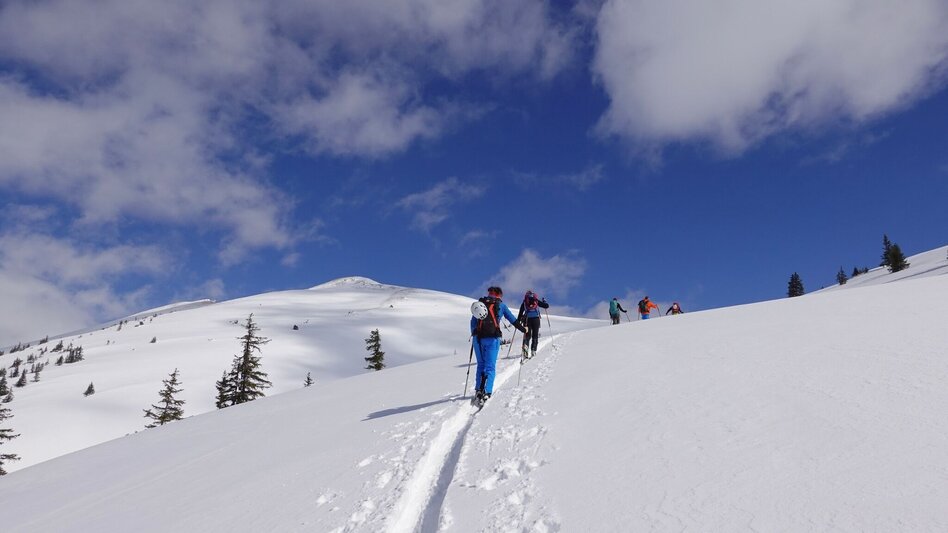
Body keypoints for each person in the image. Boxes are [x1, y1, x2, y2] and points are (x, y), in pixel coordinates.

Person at [470, 286, 524, 406]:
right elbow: (513, 320)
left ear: (489, 293)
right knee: (490, 367)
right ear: (499, 294)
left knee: (481, 365)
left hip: (478, 339)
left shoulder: (481, 304)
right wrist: (524, 330)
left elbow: (473, 322)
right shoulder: (501, 305)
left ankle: (479, 389)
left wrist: (474, 332)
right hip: (493, 339)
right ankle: (487, 392)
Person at [517, 290, 549, 359]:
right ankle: (533, 350)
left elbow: (520, 313)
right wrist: (544, 302)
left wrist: (518, 322)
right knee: (535, 335)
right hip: (536, 320)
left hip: (527, 320)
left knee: (527, 336)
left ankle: (525, 350)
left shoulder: (525, 302)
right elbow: (546, 306)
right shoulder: (536, 301)